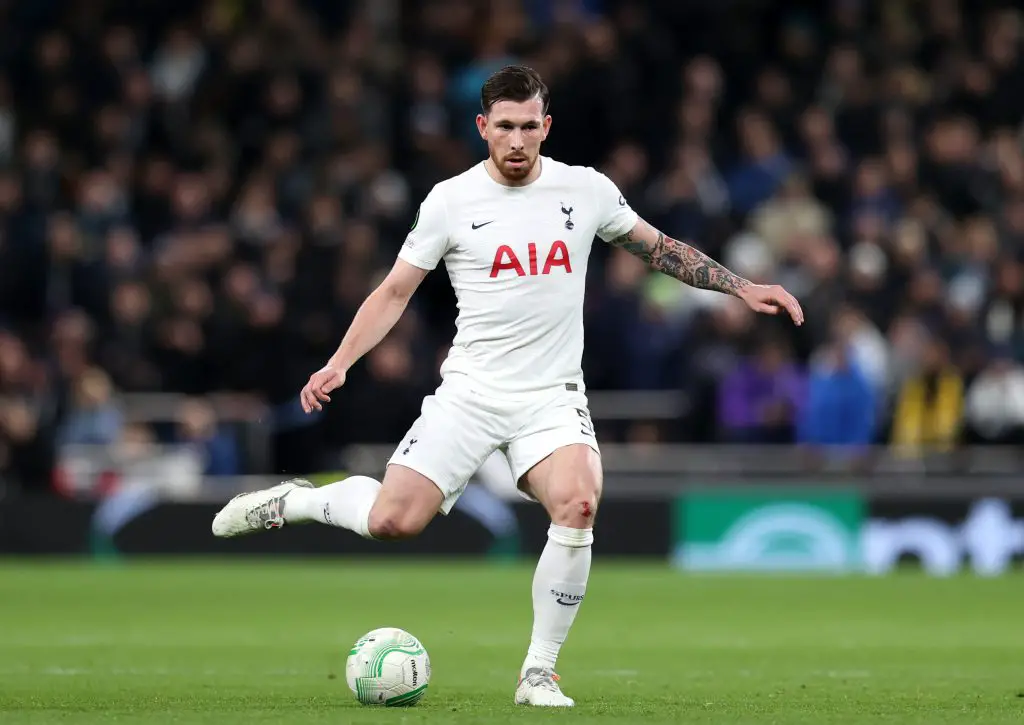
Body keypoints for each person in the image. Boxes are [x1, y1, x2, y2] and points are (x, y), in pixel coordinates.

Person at [212, 66, 803, 707]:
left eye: (529, 127)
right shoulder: (450, 201)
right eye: (504, 127)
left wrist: (742, 286)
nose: (517, 141)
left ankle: (538, 673)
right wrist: (340, 362)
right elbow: (393, 292)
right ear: (482, 127)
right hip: (470, 392)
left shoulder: (586, 190)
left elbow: (659, 249)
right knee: (391, 521)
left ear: (545, 126)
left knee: (578, 506)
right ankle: (298, 501)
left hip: (551, 396)